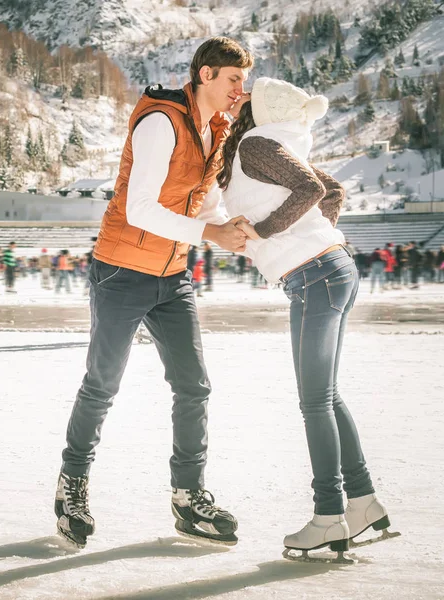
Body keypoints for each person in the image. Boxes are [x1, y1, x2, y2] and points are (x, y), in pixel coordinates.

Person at [55, 37, 253, 549]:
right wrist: (211, 235)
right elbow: (141, 208)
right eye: (234, 79)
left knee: (194, 387)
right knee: (102, 385)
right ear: (206, 75)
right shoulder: (161, 121)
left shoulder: (215, 128)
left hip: (173, 275)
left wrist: (237, 235)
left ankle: (188, 498)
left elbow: (201, 204)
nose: (240, 90)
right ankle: (70, 489)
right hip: (121, 270)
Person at [219, 77, 394, 561]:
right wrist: (310, 236)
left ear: (258, 112)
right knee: (327, 397)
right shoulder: (272, 147)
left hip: (316, 275)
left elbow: (314, 188)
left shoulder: (256, 144)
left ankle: (327, 517)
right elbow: (331, 191)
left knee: (314, 402)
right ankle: (362, 502)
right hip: (328, 268)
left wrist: (266, 233)